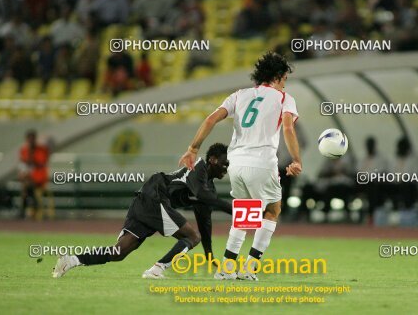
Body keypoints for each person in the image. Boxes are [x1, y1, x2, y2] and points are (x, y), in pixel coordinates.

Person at [178, 52, 302, 281]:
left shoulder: (239, 95)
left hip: (236, 163)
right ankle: (250, 267)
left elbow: (210, 119)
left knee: (245, 216)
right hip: (262, 162)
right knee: (272, 211)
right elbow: (287, 129)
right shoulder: (284, 98)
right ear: (278, 76)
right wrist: (296, 160)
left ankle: (226, 267)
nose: (285, 82)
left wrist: (193, 148)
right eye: (285, 78)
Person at [53, 143, 231, 279]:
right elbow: (202, 196)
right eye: (225, 162)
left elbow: (205, 223)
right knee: (193, 237)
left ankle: (71, 260)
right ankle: (157, 269)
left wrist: (209, 256)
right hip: (156, 194)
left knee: (119, 252)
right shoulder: (198, 166)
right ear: (213, 160)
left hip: (148, 200)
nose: (227, 166)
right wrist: (234, 209)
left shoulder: (209, 192)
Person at [18, 130, 50, 220]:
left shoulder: (41, 150)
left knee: (26, 187)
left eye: (33, 139)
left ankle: (25, 210)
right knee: (27, 185)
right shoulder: (24, 150)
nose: (31, 141)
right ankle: (34, 207)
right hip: (28, 178)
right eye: (29, 139)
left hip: (39, 177)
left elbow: (41, 163)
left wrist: (31, 159)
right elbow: (22, 164)